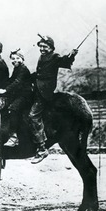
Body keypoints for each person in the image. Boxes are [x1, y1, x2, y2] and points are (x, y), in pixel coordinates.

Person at [29, 34, 78, 164]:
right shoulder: (42, 56)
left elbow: (65, 62)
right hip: (38, 88)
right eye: (40, 46)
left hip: (44, 91)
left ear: (51, 47)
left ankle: (41, 148)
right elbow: (40, 73)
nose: (42, 49)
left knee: (33, 115)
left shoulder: (55, 57)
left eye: (45, 46)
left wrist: (72, 55)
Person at [0, 49, 32, 159]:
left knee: (13, 109)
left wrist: (5, 90)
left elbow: (17, 82)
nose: (15, 60)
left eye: (17, 58)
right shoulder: (16, 68)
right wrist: (3, 86)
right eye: (13, 59)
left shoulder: (23, 69)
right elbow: (11, 80)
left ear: (22, 59)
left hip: (25, 95)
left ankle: (13, 137)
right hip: (18, 94)